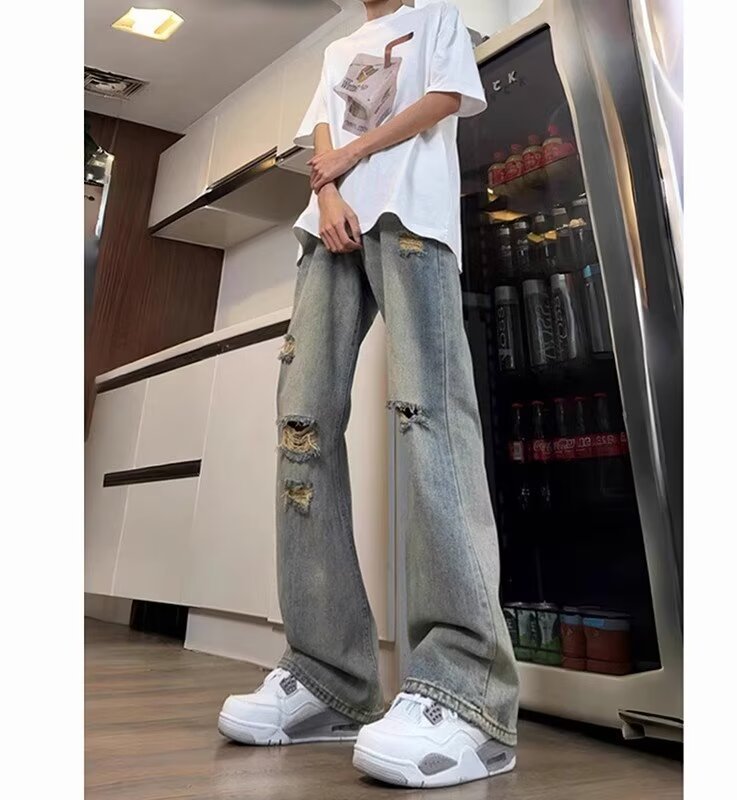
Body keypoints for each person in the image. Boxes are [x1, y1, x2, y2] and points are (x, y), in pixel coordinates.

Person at [218, 0, 519, 788]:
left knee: (429, 418)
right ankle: (330, 678)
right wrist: (328, 195)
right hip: (331, 228)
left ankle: (468, 692)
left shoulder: (437, 16)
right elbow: (321, 144)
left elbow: (443, 100)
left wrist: (353, 157)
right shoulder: (337, 49)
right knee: (303, 424)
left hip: (410, 218)